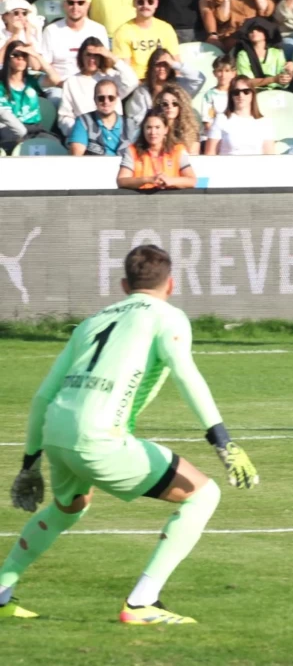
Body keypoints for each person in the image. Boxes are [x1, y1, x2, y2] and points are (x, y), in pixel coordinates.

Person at [0, 243, 257, 624]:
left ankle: (1, 593)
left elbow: (41, 397)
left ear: (124, 284)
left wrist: (29, 463)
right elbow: (185, 373)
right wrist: (222, 439)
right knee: (203, 495)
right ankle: (141, 603)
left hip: (57, 430)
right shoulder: (167, 316)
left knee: (70, 507)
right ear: (170, 284)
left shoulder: (93, 321)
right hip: (98, 436)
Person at [56, 37, 137, 134]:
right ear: (81, 56)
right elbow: (64, 117)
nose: (92, 59)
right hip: (84, 135)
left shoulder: (111, 76)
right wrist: (79, 131)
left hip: (113, 133)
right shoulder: (71, 82)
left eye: (96, 56)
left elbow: (132, 81)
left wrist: (111, 56)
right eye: (88, 55)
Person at [123, 48, 204, 136]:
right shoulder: (142, 92)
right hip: (153, 135)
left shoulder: (180, 84)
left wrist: (174, 64)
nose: (162, 68)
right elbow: (136, 123)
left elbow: (199, 79)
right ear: (152, 67)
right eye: (158, 65)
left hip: (179, 133)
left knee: (194, 114)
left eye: (166, 65)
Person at [40, 0, 106, 83]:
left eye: (80, 3)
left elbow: (104, 64)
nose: (75, 7)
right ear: (64, 5)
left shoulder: (99, 30)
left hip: (92, 85)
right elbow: (45, 65)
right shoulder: (51, 30)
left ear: (87, 5)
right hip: (59, 85)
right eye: (71, 3)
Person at [111, 0, 178, 79]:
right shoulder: (123, 31)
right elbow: (125, 71)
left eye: (150, 1)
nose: (145, 5)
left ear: (156, 3)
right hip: (137, 82)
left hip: (163, 81)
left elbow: (175, 62)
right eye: (140, 2)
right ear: (134, 3)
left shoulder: (166, 28)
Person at [118, 111, 197, 190]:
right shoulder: (132, 150)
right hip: (141, 200)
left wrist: (171, 181)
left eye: (157, 127)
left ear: (166, 130)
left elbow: (192, 181)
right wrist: (148, 180)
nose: (153, 132)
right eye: (149, 127)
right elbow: (121, 181)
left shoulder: (177, 150)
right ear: (143, 129)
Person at [0, 40, 58, 145]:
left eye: (24, 55)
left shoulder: (33, 80)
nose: (20, 58)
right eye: (15, 55)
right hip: (9, 129)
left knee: (53, 143)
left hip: (34, 128)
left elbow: (55, 79)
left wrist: (35, 55)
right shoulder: (1, 84)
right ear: (8, 58)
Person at [204, 75, 275, 155]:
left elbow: (269, 154)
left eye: (246, 91)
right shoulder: (221, 120)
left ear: (252, 94)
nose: (241, 95)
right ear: (231, 96)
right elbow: (210, 154)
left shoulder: (265, 122)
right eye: (236, 92)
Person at [67, 80, 125, 156]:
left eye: (111, 98)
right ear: (94, 99)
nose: (106, 102)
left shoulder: (129, 125)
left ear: (116, 99)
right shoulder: (83, 122)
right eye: (101, 98)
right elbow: (76, 156)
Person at [236, 19, 293, 92]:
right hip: (253, 93)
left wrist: (290, 71)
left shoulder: (277, 53)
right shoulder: (243, 55)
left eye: (258, 30)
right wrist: (273, 79)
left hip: (276, 93)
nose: (254, 32)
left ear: (266, 33)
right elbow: (246, 82)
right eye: (251, 31)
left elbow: (284, 81)